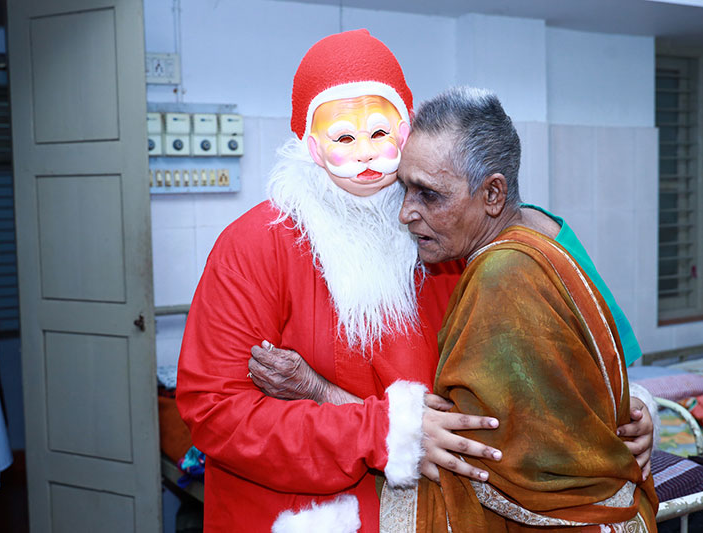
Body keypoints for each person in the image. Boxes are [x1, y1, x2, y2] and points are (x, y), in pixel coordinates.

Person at [176, 30, 501, 533]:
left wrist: (609, 404)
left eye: (380, 132)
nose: (366, 154)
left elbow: (499, 372)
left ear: (406, 130)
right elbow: (217, 413)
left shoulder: (445, 236)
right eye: (345, 138)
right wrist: (378, 431)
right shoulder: (255, 245)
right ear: (310, 144)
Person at [376, 87, 658, 531]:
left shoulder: (502, 275)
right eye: (404, 189)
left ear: (493, 194)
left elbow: (476, 444)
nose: (406, 213)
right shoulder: (535, 234)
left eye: (429, 194)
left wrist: (318, 392)